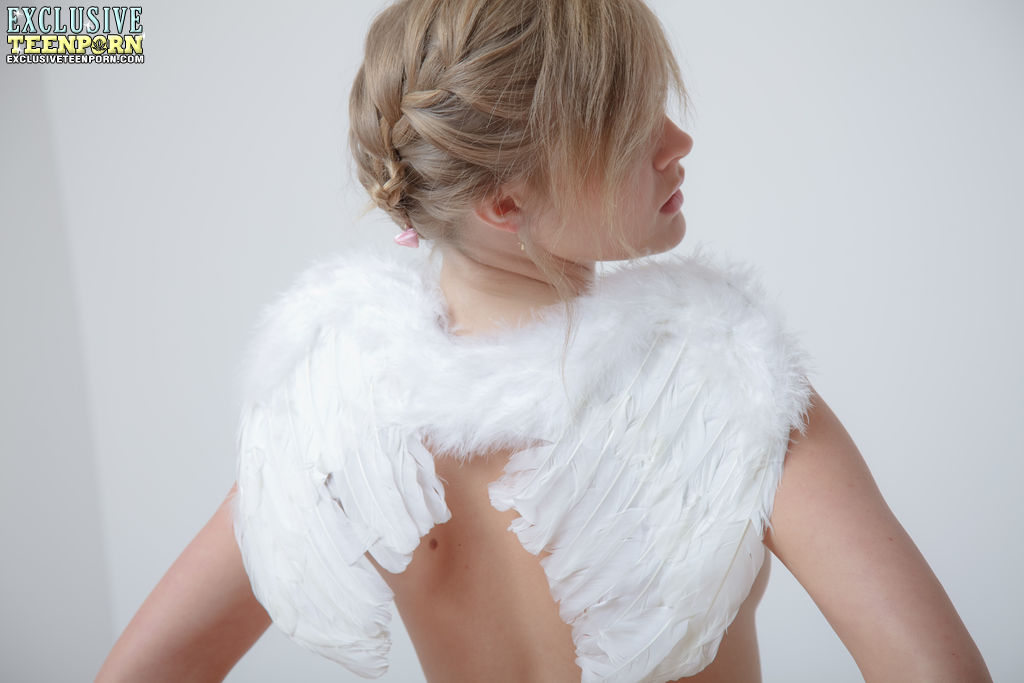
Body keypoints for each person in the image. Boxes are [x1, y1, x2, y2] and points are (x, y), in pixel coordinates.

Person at [96, 1, 991, 681]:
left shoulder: (338, 415)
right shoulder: (724, 382)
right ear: (505, 201)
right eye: (629, 124)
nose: (677, 140)